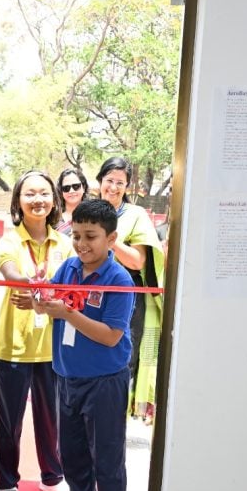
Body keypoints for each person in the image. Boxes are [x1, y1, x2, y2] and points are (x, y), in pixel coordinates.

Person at [34, 198, 135, 491]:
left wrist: (68, 313)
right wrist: (37, 301)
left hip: (105, 381)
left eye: (90, 236)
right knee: (73, 456)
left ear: (111, 238)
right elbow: (51, 302)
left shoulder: (119, 280)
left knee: (106, 460)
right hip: (67, 376)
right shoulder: (69, 267)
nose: (81, 244)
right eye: (76, 235)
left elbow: (110, 336)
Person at [0, 171, 74, 491]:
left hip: (51, 348)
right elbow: (10, 272)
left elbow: (71, 287)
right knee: (9, 421)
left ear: (54, 200)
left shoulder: (65, 243)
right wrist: (31, 283)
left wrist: (46, 292)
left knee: (51, 418)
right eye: (30, 194)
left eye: (44, 193)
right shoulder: (10, 240)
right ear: (18, 202)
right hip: (13, 346)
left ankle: (52, 477)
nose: (38, 199)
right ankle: (7, 484)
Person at [95, 156, 165, 422]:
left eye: (120, 183)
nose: (113, 187)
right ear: (100, 181)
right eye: (109, 180)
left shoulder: (135, 215)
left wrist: (108, 239)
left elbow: (138, 261)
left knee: (121, 361)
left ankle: (114, 422)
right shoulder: (88, 208)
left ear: (127, 187)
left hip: (125, 298)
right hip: (89, 296)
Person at [56, 167, 89, 236]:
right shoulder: (54, 219)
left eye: (76, 186)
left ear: (84, 187)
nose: (71, 191)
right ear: (61, 191)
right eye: (66, 188)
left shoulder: (94, 216)